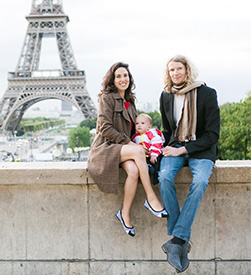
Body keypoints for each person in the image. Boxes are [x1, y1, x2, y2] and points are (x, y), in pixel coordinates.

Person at [87, 62, 168, 237]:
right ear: (112, 80)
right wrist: (132, 145)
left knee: (133, 171)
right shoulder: (106, 98)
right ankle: (151, 197)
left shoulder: (130, 101)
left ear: (129, 78)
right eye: (119, 76)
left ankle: (124, 214)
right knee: (138, 151)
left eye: (126, 75)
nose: (123, 79)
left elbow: (135, 129)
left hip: (123, 147)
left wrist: (144, 143)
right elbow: (105, 129)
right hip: (106, 147)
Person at [158, 55, 220, 273]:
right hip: (174, 147)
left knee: (201, 181)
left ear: (187, 70)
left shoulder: (207, 93)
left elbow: (212, 134)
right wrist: (159, 150)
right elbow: (168, 131)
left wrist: (182, 150)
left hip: (200, 149)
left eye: (179, 69)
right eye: (171, 70)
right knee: (164, 177)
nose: (175, 73)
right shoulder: (166, 96)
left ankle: (177, 240)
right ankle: (180, 240)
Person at [132, 113, 165, 185]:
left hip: (154, 154)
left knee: (157, 162)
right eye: (137, 123)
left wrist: (154, 154)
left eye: (142, 123)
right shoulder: (135, 137)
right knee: (140, 164)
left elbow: (157, 143)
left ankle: (156, 175)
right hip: (144, 157)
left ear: (149, 127)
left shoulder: (151, 133)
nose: (139, 125)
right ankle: (145, 173)